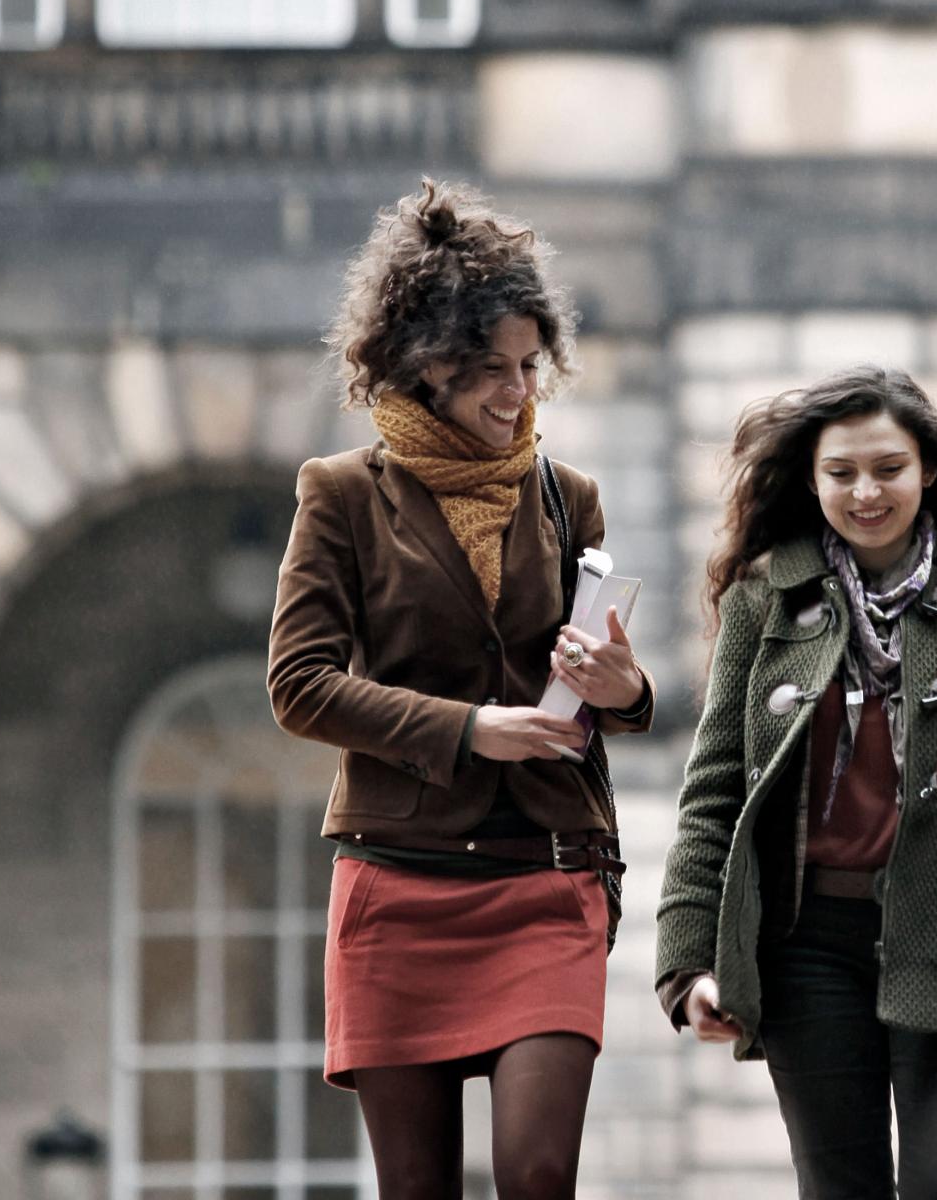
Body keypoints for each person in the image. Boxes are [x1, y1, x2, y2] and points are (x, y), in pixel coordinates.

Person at [267, 179, 655, 1199]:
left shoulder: (568, 499)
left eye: (529, 366)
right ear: (426, 364)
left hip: (547, 871)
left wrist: (623, 687)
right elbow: (299, 684)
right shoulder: (341, 495)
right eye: (491, 370)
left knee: (538, 1171)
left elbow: (601, 692)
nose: (518, 393)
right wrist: (469, 728)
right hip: (398, 880)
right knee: (416, 1186)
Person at [655, 365, 937, 1198]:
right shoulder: (764, 603)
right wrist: (687, 963)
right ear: (812, 480)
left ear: (928, 469)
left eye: (888, 468)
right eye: (841, 473)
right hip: (806, 949)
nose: (866, 492)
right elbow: (715, 793)